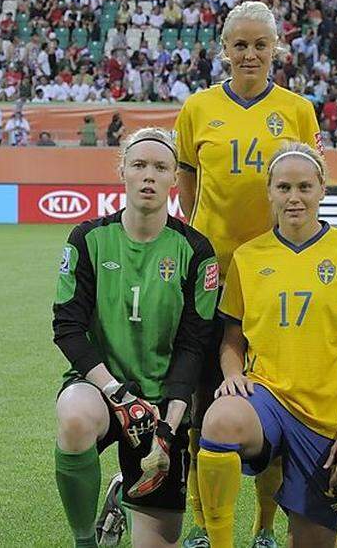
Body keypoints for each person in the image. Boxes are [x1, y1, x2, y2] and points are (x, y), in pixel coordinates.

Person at [173, 0, 321, 548]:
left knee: (275, 399)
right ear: (224, 49)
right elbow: (189, 185)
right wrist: (206, 242)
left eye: (261, 44)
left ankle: (263, 527)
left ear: (276, 48)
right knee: (202, 402)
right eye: (241, 44)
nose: (251, 54)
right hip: (212, 277)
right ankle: (204, 523)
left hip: (275, 280)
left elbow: (305, 181)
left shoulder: (298, 111)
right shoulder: (197, 108)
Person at [195, 142, 337, 548]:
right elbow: (231, 339)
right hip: (267, 397)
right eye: (283, 188)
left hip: (326, 418)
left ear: (321, 189)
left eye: (303, 187)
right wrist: (231, 375)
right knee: (220, 419)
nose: (294, 197)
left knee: (313, 541)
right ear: (270, 193)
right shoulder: (248, 256)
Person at [52, 127, 218, 548]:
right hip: (104, 391)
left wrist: (169, 424)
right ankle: (85, 539)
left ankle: (124, 490)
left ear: (174, 179)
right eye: (139, 165)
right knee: (73, 418)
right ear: (122, 171)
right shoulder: (88, 239)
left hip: (164, 404)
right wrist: (118, 394)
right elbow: (67, 327)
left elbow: (194, 344)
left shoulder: (196, 250)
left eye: (160, 167)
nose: (149, 175)